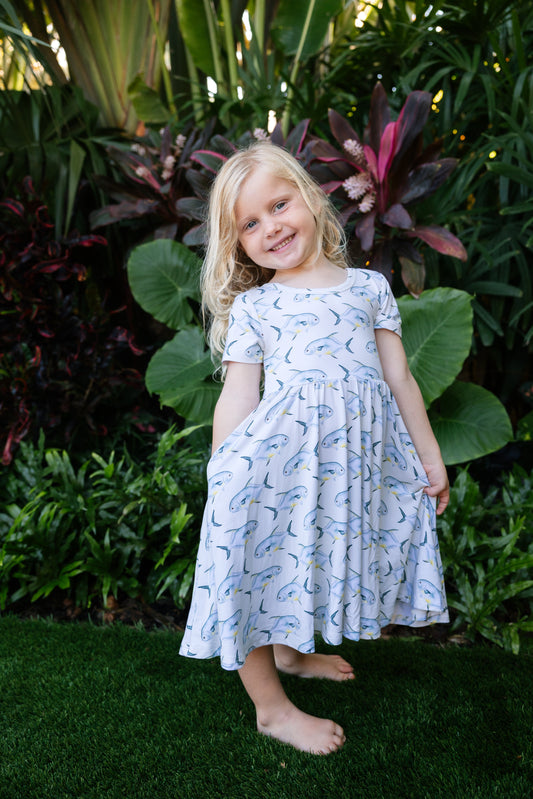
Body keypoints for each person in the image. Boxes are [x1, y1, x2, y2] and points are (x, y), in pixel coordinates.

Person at [179, 141, 449, 755]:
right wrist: (225, 471)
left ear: (310, 197)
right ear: (238, 242)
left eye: (278, 205)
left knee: (307, 555)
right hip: (273, 467)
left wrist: (430, 458)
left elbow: (400, 380)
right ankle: (272, 710)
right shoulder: (255, 306)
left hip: (345, 471)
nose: (270, 227)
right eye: (250, 223)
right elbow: (239, 396)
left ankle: (294, 654)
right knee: (252, 566)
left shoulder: (368, 288)